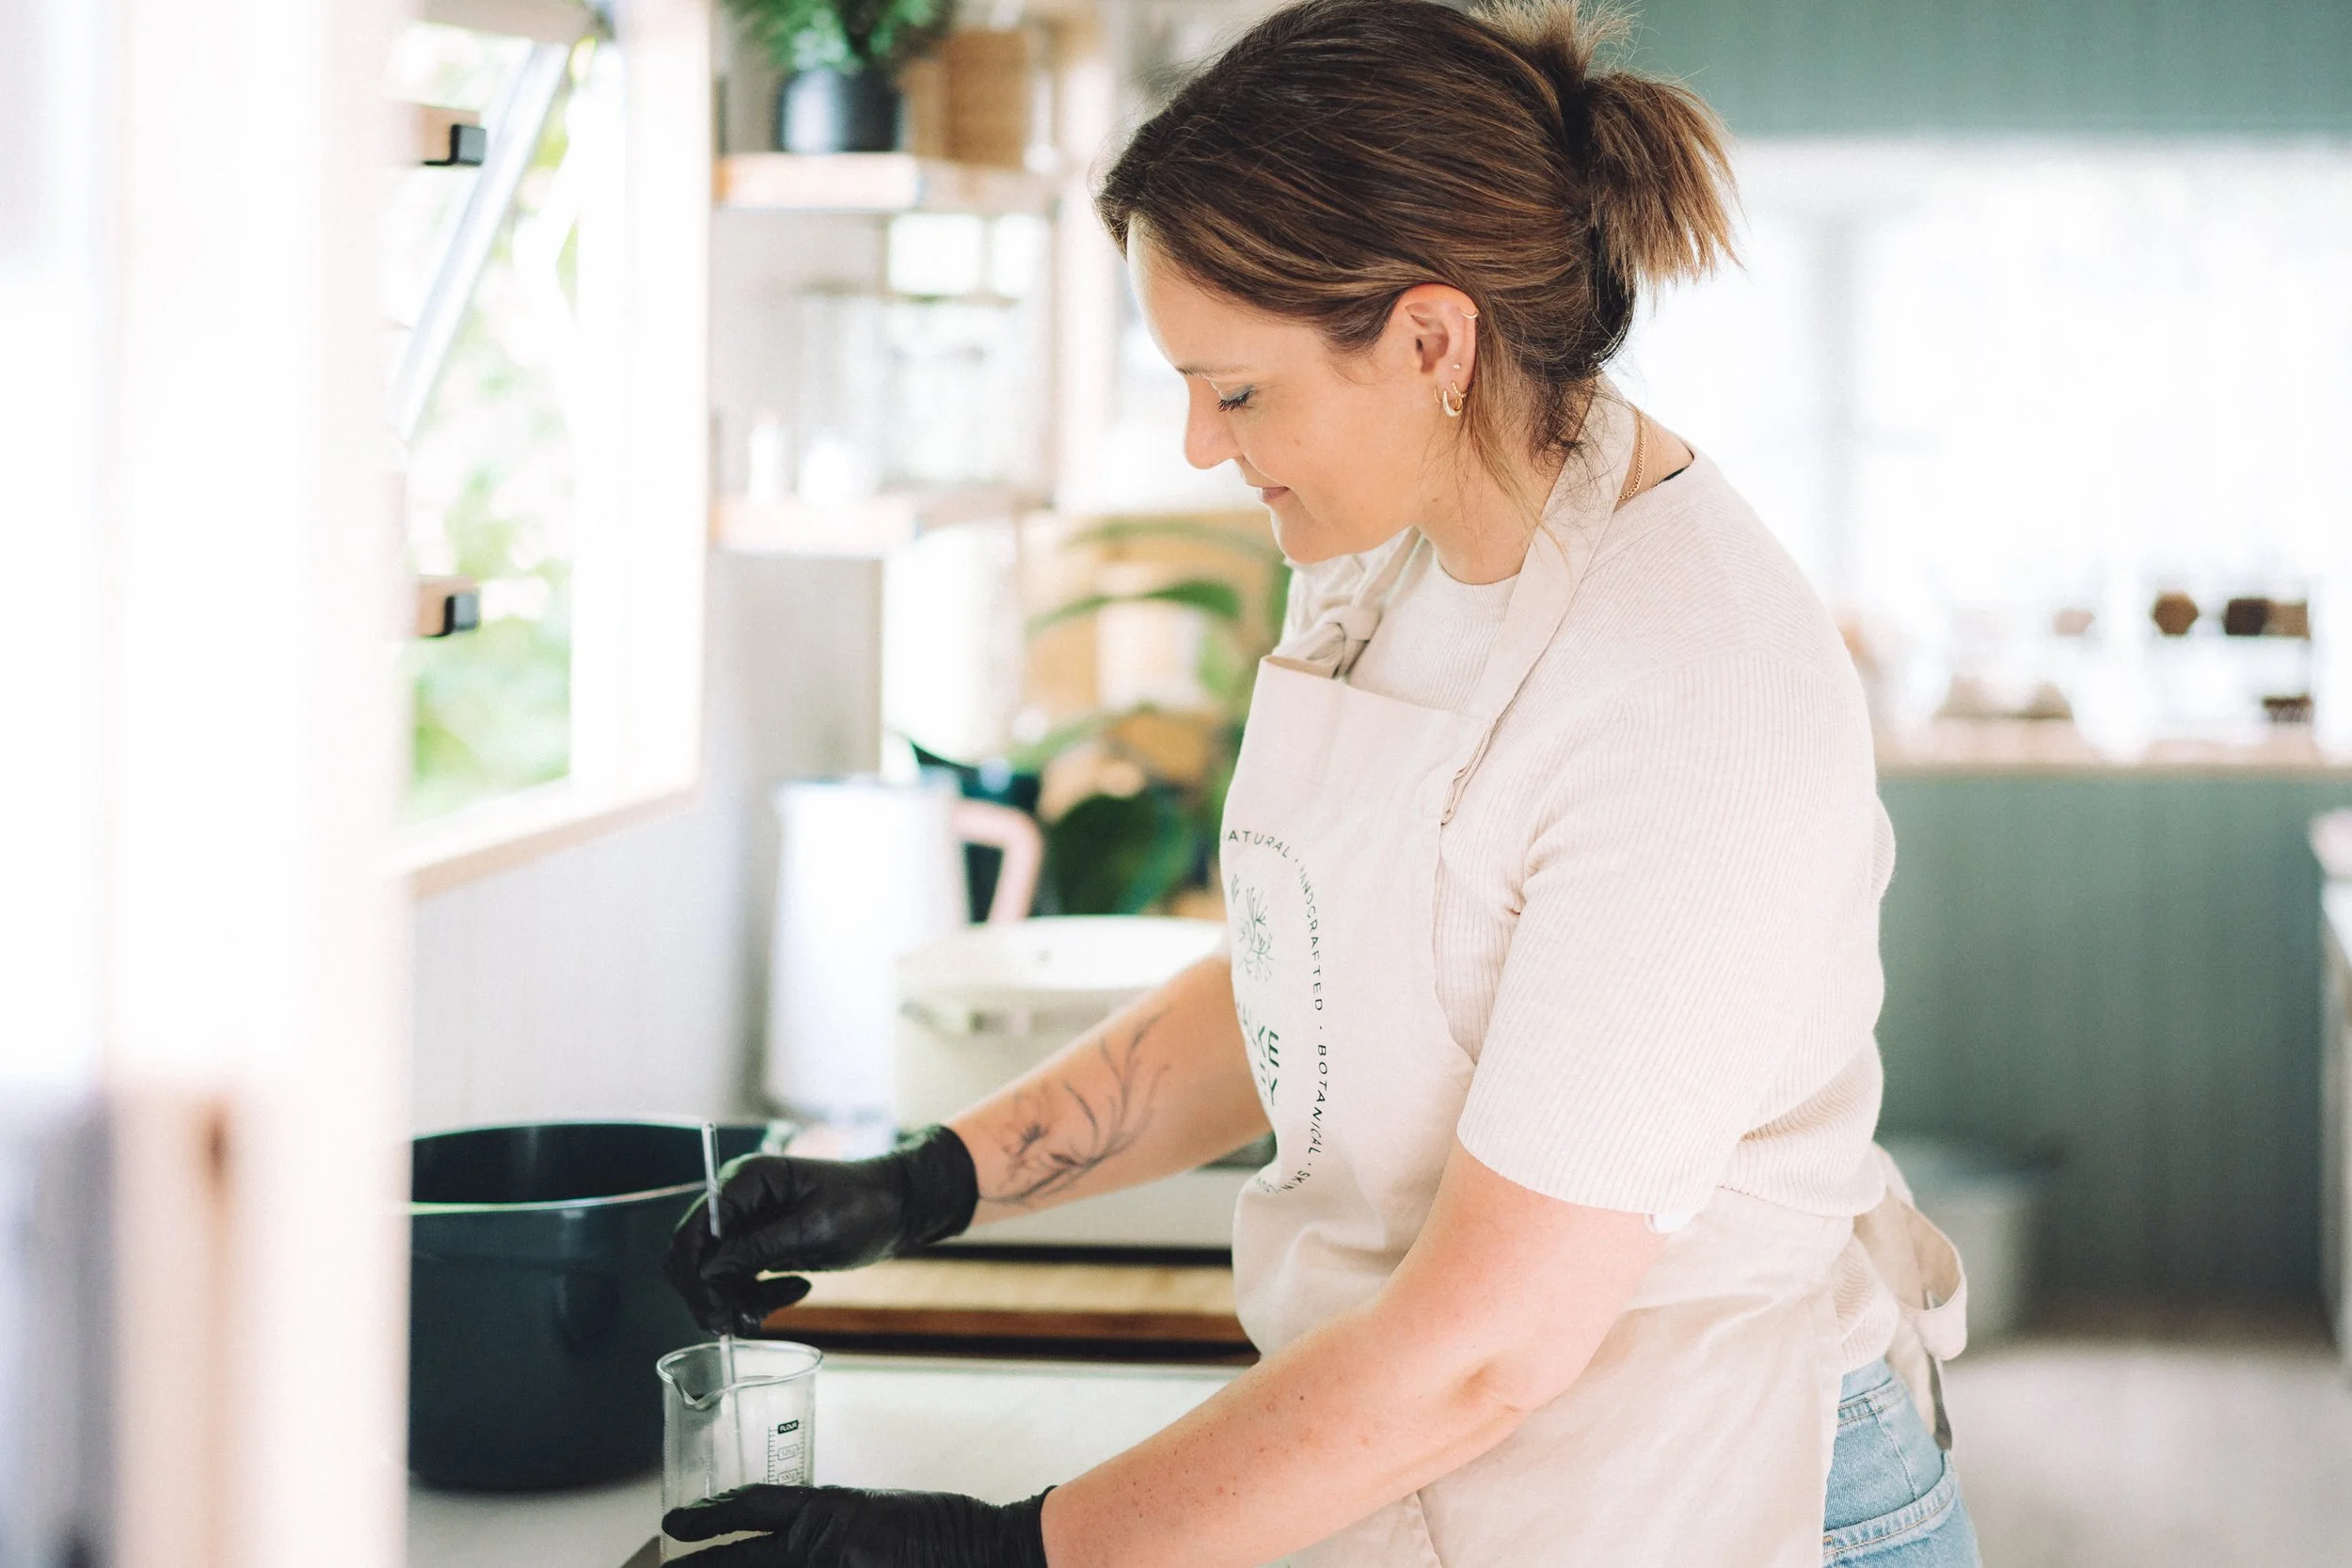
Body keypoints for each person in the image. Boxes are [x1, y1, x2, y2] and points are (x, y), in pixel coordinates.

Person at [661, 2, 1977, 1563]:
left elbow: (1491, 1346)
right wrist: (930, 1180)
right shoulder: (1408, 539)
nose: (1204, 447)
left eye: (1236, 391)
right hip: (1462, 1465)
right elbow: (1323, 969)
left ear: (1430, 339)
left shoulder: (1685, 696)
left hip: (1715, 1491)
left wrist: (997, 1551)